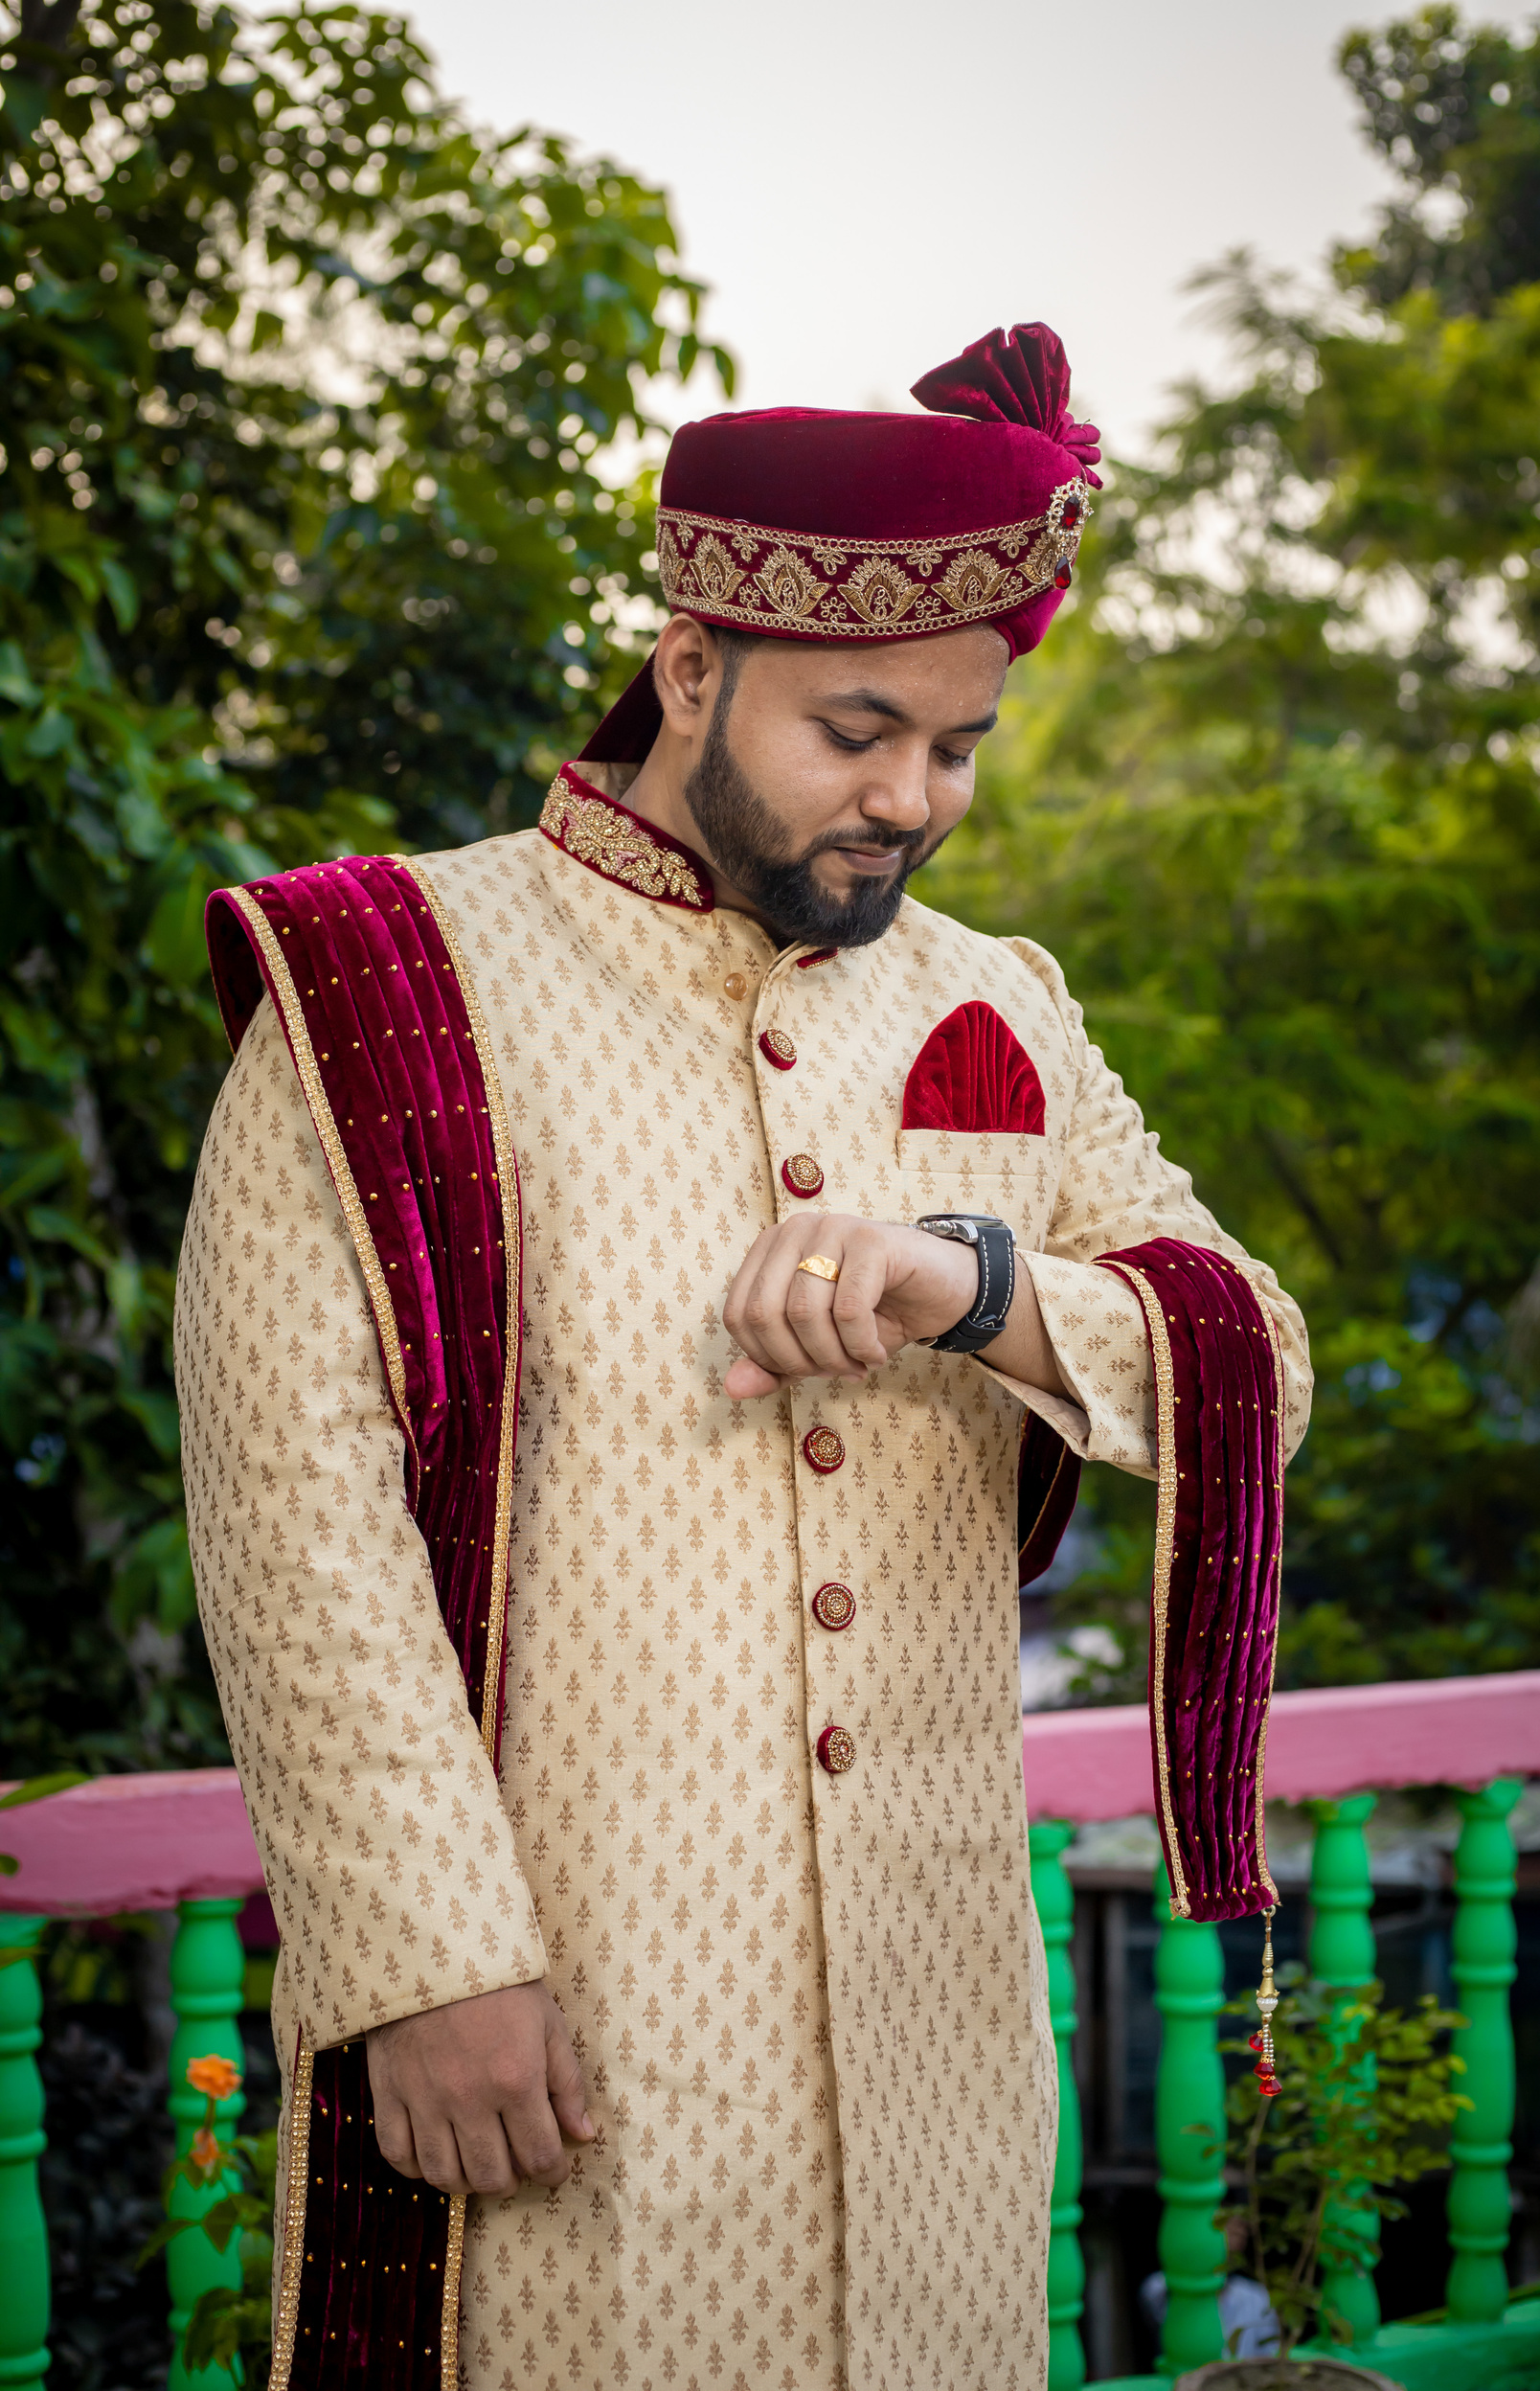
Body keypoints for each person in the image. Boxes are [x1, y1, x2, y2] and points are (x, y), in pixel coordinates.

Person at [175, 323, 1311, 2391]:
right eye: (855, 731)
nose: (910, 801)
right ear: (691, 670)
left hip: (944, 2033)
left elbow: (1256, 1352)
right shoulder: (382, 984)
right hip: (573, 2013)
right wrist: (430, 1962)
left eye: (956, 747)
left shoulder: (999, 1001)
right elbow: (288, 1516)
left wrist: (977, 1284)